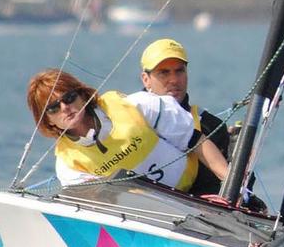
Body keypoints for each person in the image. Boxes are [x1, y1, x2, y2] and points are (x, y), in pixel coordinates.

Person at [27, 69, 228, 188]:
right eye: (53, 107)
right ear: (48, 121)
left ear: (82, 96)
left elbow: (195, 140)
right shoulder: (67, 164)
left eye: (69, 98)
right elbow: (98, 203)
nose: (65, 108)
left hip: (200, 185)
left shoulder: (136, 105)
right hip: (157, 218)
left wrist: (230, 181)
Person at [140, 38, 232, 196]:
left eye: (179, 71)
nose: (174, 80)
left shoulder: (212, 127)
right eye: (164, 72)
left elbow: (217, 195)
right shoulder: (130, 118)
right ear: (146, 79)